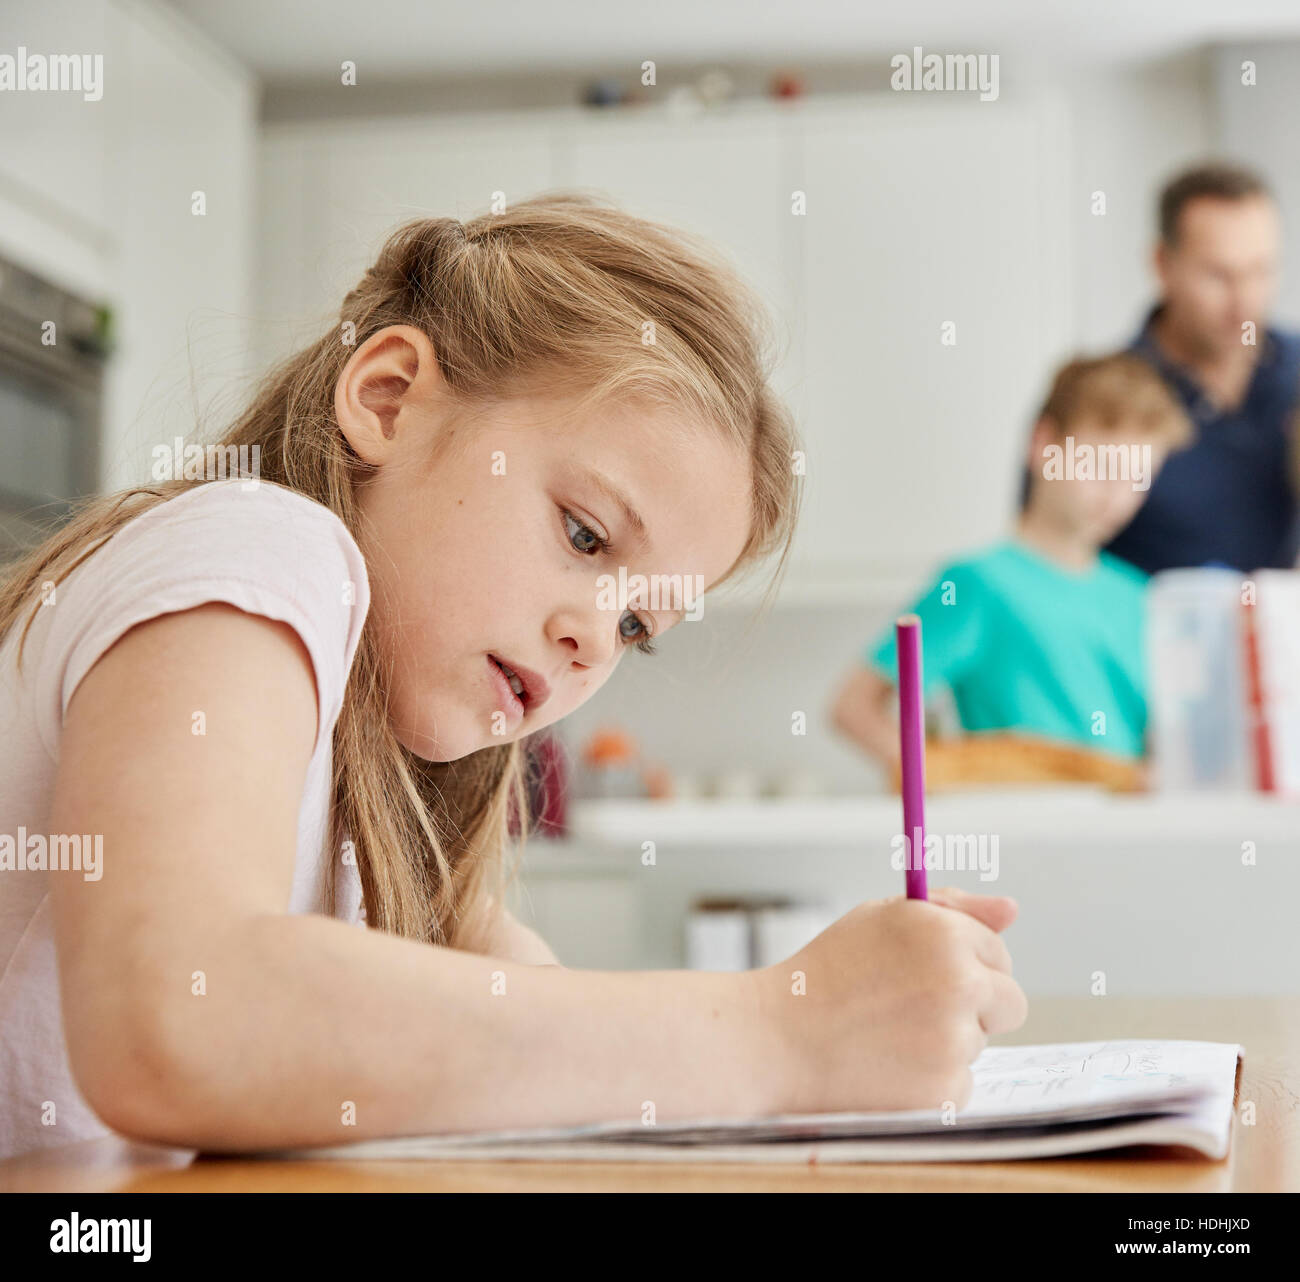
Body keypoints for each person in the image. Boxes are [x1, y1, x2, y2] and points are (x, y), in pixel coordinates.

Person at [0, 194, 1026, 1159]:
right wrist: (784, 1032)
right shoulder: (261, 546)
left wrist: (844, 1026)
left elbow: (537, 1026)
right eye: (584, 534)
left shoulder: (396, 786)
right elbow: (180, 1009)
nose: (596, 644)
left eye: (637, 623)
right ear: (389, 398)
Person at [831, 353, 1191, 786]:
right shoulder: (978, 583)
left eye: (1136, 479)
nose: (1115, 495)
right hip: (1018, 832)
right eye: (1098, 467)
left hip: (1120, 834)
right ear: (1043, 445)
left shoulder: (1139, 596)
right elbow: (854, 708)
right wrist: (948, 783)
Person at [1106, 161, 1300, 574]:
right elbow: (1049, 568)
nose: (1244, 302)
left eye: (1260, 271)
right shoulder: (1103, 402)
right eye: (1219, 275)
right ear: (1162, 263)